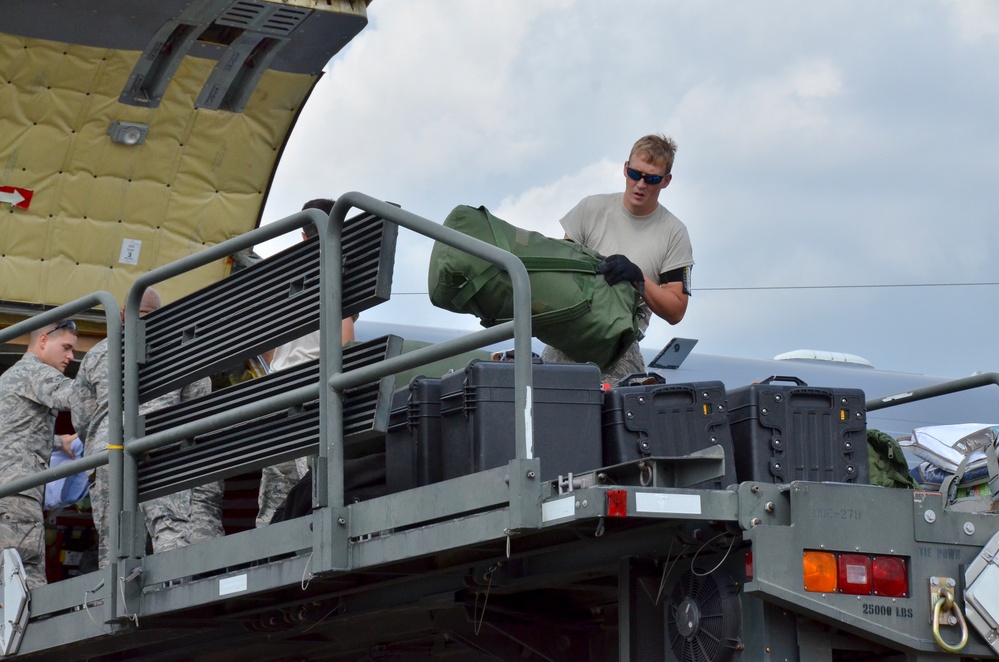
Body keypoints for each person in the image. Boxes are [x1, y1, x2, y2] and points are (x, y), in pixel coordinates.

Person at [72, 288, 222, 567]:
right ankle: (174, 593)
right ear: (162, 315)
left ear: (121, 316)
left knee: (114, 540)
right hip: (160, 442)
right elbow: (197, 408)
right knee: (170, 526)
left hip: (108, 453)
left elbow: (82, 417)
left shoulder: (96, 355)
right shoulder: (182, 349)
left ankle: (118, 603)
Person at [540, 134, 694, 383]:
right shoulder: (590, 210)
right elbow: (559, 273)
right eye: (636, 174)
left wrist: (638, 279)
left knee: (622, 412)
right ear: (625, 169)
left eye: (652, 179)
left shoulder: (673, 233)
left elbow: (676, 310)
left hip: (620, 345)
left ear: (666, 181)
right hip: (569, 334)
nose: (641, 185)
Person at [256, 197, 357, 526]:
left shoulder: (278, 280)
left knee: (276, 498)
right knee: (316, 489)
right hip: (317, 396)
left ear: (302, 236)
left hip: (279, 398)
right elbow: (345, 343)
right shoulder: (341, 270)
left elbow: (266, 348)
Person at [0, 319, 79, 588]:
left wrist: (60, 441)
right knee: (26, 590)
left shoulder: (11, 377)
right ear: (43, 341)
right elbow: (76, 397)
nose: (71, 357)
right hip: (18, 499)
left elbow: (16, 430)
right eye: (66, 347)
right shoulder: (37, 373)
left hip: (7, 496)